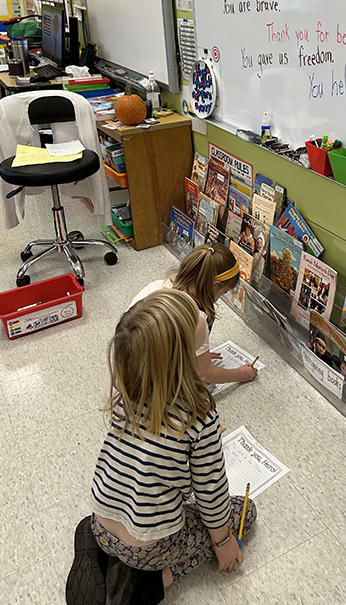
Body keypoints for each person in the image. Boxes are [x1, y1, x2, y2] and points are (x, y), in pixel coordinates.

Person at [87, 290, 257, 597]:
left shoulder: (123, 396)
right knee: (245, 511)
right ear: (184, 359)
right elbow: (211, 495)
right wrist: (223, 543)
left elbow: (148, 449)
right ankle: (156, 580)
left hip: (99, 525)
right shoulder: (198, 417)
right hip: (148, 549)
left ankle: (110, 559)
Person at [129, 243, 257, 385]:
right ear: (215, 284)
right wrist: (240, 374)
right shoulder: (196, 318)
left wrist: (197, 354)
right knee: (206, 388)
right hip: (149, 387)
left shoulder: (156, 286)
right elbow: (207, 374)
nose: (219, 298)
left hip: (125, 375)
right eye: (223, 292)